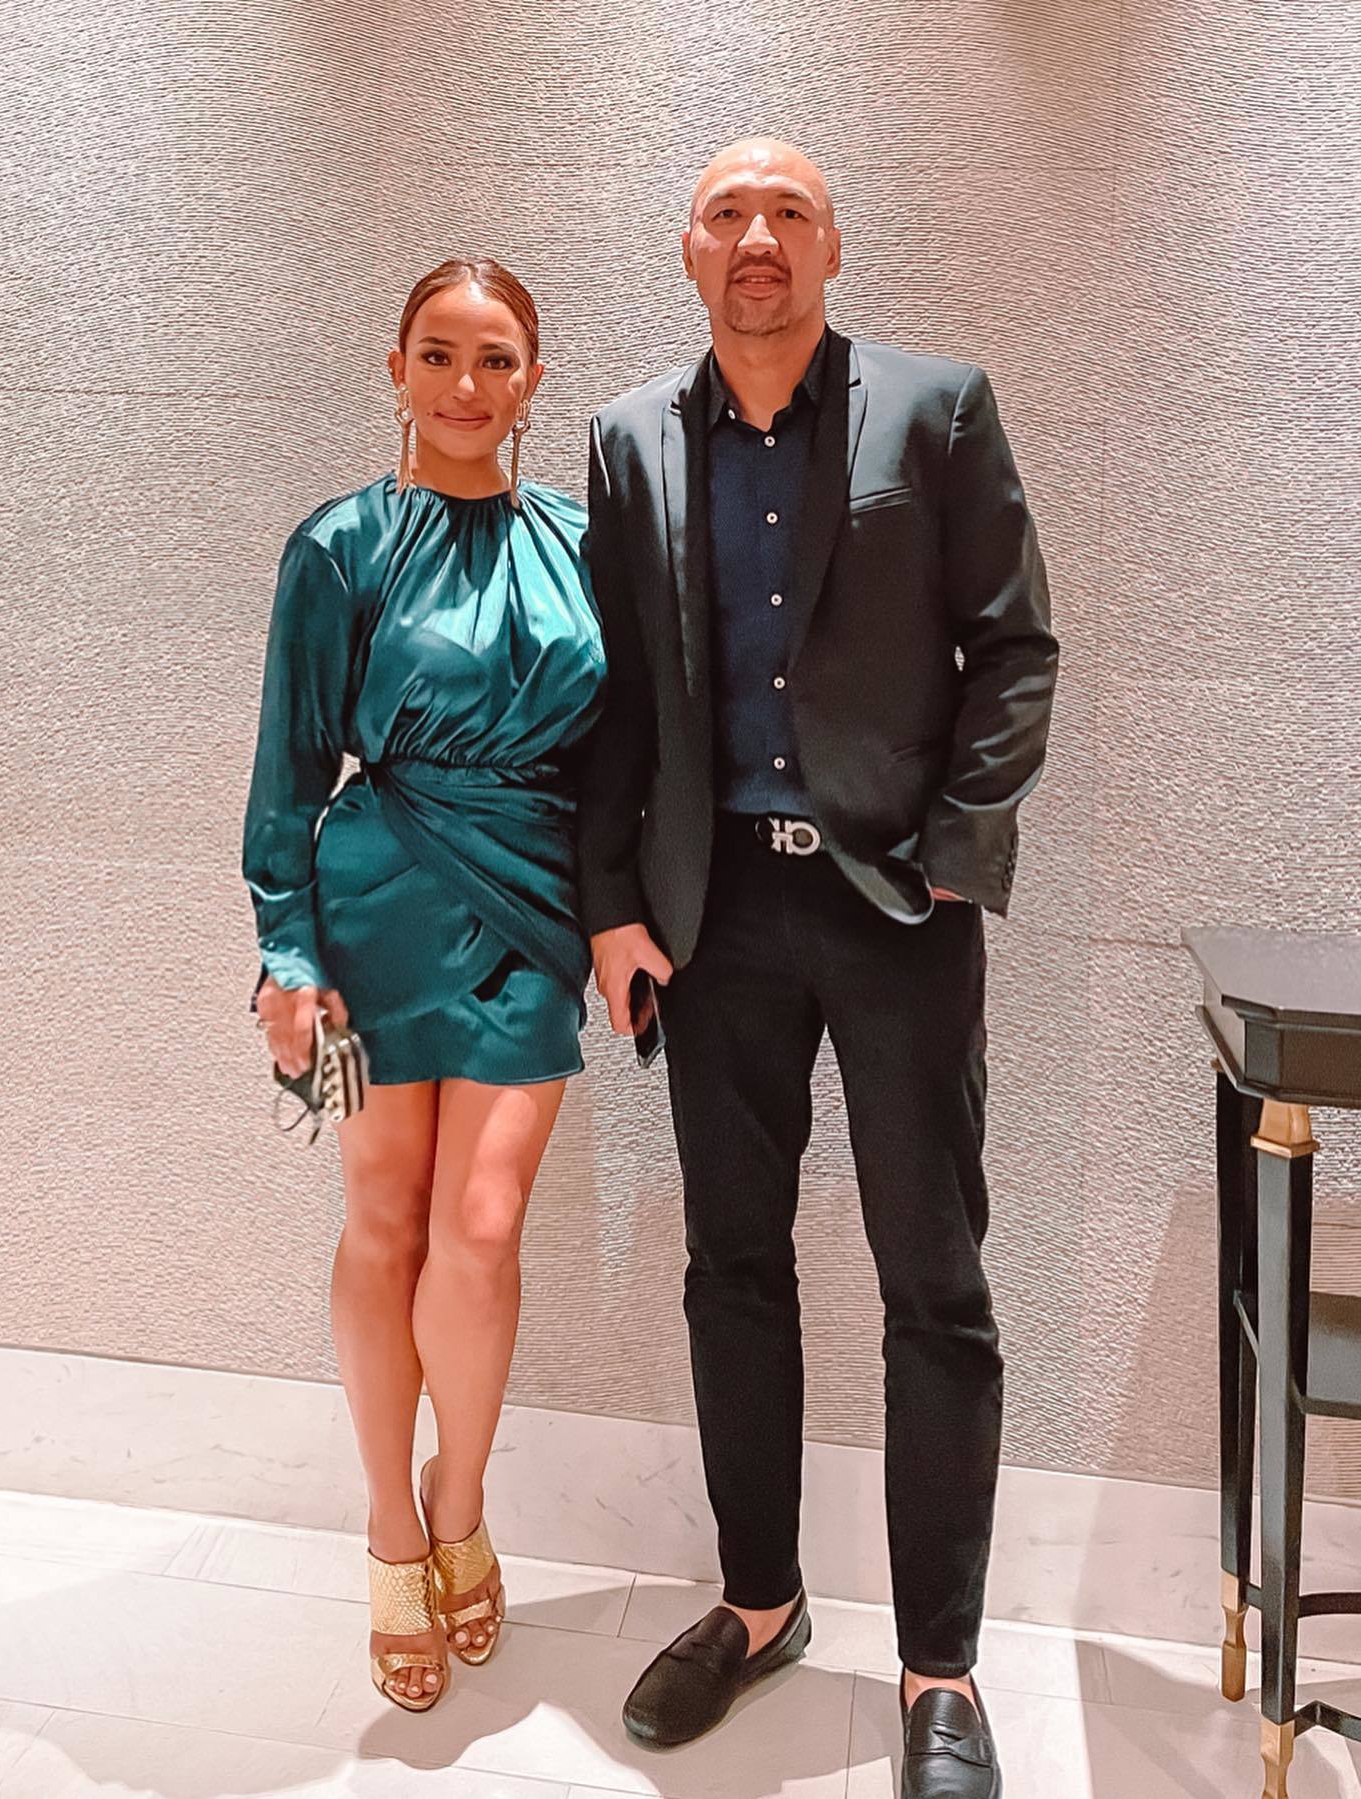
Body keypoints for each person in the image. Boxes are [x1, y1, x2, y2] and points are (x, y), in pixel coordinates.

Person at [578, 139, 1057, 1796]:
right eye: (729, 214)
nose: (759, 237)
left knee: (937, 1285)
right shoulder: (629, 438)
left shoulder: (936, 410)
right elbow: (615, 690)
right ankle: (761, 1603)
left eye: (788, 212)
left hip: (896, 913)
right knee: (733, 1266)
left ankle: (942, 1670)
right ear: (689, 252)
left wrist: (956, 852)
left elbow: (1014, 645)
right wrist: (610, 904)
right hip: (713, 918)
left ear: (833, 246)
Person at [243, 258, 604, 1713]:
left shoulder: (584, 541)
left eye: (497, 358)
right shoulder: (338, 546)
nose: (467, 384)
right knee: (383, 1216)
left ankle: (462, 1499)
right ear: (394, 369)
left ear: (533, 381)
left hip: (536, 910)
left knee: (483, 1222)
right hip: (374, 906)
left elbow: (634, 753)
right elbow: (288, 767)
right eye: (440, 355)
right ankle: (397, 1537)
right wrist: (286, 951)